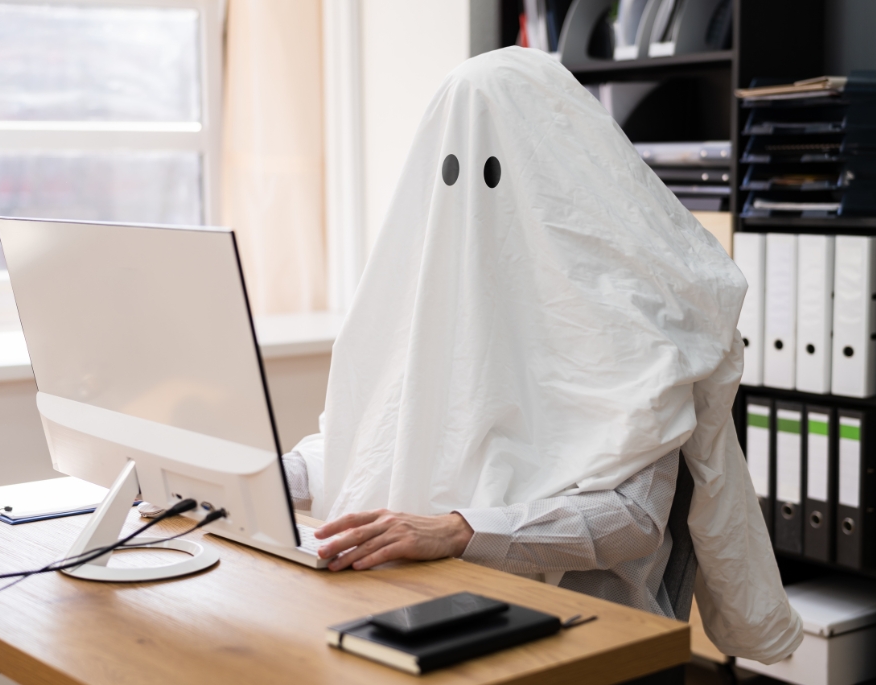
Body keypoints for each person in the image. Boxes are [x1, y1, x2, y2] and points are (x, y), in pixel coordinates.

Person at [283, 47, 801, 664]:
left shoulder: (642, 313)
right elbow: (369, 438)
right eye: (448, 168)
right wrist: (264, 476)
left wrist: (457, 530)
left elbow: (632, 517)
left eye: (495, 169)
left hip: (577, 630)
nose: (472, 200)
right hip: (423, 604)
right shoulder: (438, 300)